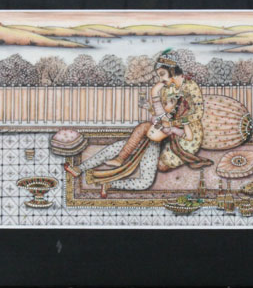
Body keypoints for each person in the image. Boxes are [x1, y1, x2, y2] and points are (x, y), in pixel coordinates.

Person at [64, 49, 212, 195]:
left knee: (158, 165)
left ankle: (108, 177)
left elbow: (197, 113)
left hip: (183, 134)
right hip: (160, 130)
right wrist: (155, 109)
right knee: (128, 142)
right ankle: (80, 168)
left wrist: (172, 125)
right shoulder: (166, 87)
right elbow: (161, 111)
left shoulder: (190, 86)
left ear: (172, 70)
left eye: (162, 74)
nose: (160, 78)